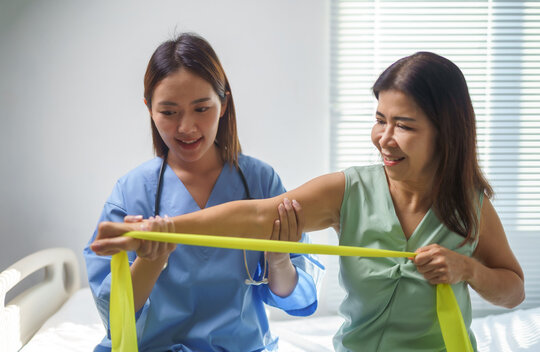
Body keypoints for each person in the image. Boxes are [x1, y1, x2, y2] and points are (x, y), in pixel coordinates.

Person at [92, 52, 525, 351]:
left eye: (404, 125)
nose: (384, 138)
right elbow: (258, 215)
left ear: (445, 131)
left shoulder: (471, 207)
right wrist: (153, 231)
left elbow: (513, 290)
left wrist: (467, 269)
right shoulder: (349, 191)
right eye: (379, 120)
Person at [83, 33, 323, 352]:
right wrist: (150, 263)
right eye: (169, 112)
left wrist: (278, 257)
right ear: (149, 109)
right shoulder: (131, 192)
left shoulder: (260, 182)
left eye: (201, 108)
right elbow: (114, 315)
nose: (187, 127)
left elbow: (291, 293)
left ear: (223, 103)